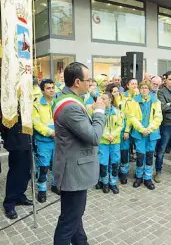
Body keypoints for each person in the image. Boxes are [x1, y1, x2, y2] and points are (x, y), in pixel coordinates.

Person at [53, 62, 107, 244]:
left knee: (75, 216)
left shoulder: (69, 99)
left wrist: (90, 110)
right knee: (69, 221)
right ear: (77, 82)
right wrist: (99, 111)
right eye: (88, 80)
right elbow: (93, 136)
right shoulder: (70, 106)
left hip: (73, 169)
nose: (90, 83)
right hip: (73, 173)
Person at [129, 80, 162, 190]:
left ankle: (147, 178)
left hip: (152, 133)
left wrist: (149, 129)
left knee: (149, 156)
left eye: (146, 88)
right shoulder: (134, 101)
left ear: (149, 89)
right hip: (139, 133)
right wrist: (142, 129)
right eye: (142, 87)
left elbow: (158, 117)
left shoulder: (156, 101)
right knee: (140, 156)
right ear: (139, 89)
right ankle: (139, 177)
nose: (144, 90)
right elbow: (132, 117)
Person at [32, 79, 60, 203]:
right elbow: (36, 123)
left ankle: (54, 185)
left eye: (53, 87)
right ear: (42, 90)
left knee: (56, 165)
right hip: (43, 141)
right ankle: (42, 190)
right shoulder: (36, 105)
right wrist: (51, 132)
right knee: (43, 167)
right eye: (48, 88)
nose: (51, 90)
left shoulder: (58, 103)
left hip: (57, 141)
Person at [1, 111, 33, 219]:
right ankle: (9, 203)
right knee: (15, 172)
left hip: (27, 136)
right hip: (15, 137)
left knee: (26, 171)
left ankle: (20, 196)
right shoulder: (7, 96)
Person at [95, 92, 124, 194]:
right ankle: (105, 183)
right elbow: (97, 125)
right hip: (103, 142)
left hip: (115, 141)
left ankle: (113, 183)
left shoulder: (117, 111)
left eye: (104, 99)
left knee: (115, 163)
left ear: (110, 100)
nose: (102, 101)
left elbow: (121, 125)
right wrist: (107, 135)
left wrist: (114, 135)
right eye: (101, 99)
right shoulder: (98, 112)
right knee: (103, 163)